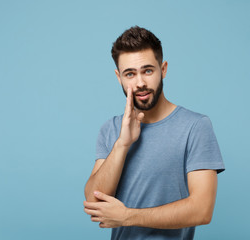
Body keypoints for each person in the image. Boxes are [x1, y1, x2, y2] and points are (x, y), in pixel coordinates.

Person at [83, 26, 225, 240]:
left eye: (147, 71)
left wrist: (127, 217)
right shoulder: (111, 130)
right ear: (118, 77)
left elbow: (202, 210)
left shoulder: (195, 127)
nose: (140, 83)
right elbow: (94, 203)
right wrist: (122, 143)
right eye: (129, 74)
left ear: (163, 69)